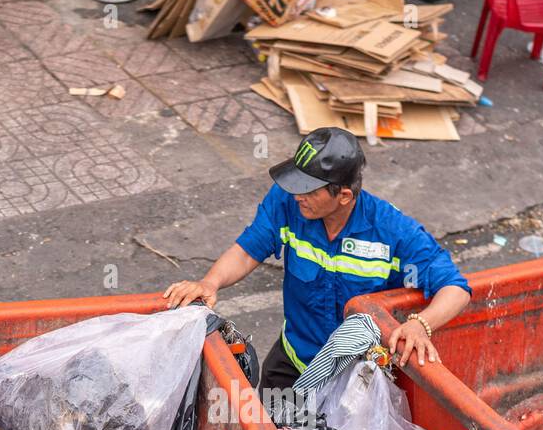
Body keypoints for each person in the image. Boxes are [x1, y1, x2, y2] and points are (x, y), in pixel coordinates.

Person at [162, 127, 472, 391]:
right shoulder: (286, 202)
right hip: (294, 361)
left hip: (355, 380)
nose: (298, 196)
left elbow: (455, 288)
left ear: (344, 196)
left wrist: (421, 325)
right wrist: (210, 282)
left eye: (308, 190)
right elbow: (248, 251)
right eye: (296, 185)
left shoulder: (392, 231)